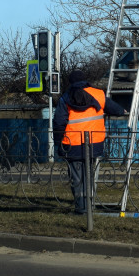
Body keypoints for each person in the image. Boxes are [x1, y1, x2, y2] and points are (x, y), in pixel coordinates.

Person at [53, 69, 127, 214]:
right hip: (94, 143)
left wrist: (58, 142)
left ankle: (81, 208)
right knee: (88, 175)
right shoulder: (98, 94)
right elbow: (115, 109)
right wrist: (122, 111)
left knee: (76, 177)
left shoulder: (65, 98)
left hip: (72, 144)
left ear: (71, 82)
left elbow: (59, 122)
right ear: (85, 80)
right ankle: (89, 206)